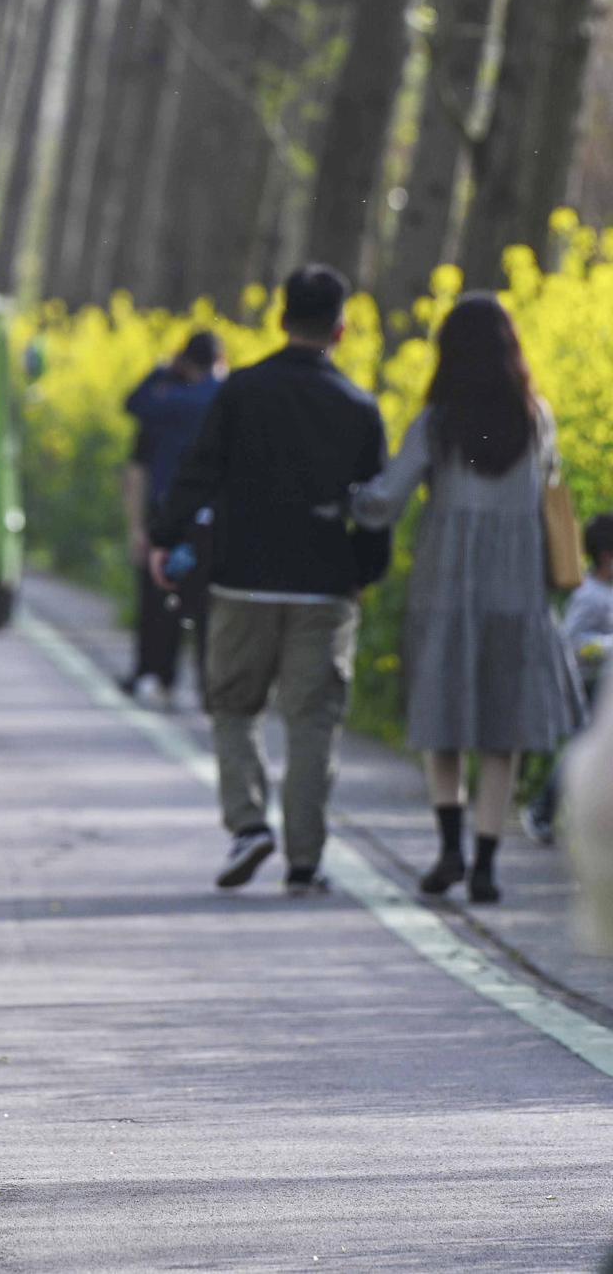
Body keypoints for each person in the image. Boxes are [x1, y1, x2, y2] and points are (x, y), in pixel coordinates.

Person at [151, 265, 391, 895]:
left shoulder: (241, 392)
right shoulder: (360, 407)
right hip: (324, 587)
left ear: (281, 320)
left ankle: (250, 824)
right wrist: (363, 572)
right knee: (313, 721)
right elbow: (375, 506)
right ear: (341, 330)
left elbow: (198, 471)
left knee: (233, 705)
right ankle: (305, 861)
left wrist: (166, 536)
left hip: (242, 580)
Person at [350, 295, 585, 902]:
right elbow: (547, 492)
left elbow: (387, 500)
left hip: (446, 590)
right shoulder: (537, 417)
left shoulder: (438, 423)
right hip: (517, 592)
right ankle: (485, 863)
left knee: (442, 717)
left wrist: (343, 500)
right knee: (501, 731)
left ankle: (449, 848)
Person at [123, 331, 227, 709]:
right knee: (208, 602)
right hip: (213, 516)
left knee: (158, 596)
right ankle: (209, 685)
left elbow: (132, 403)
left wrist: (161, 371)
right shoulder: (225, 395)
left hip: (166, 511)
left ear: (186, 361)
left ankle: (155, 674)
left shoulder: (165, 403)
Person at [528, 514, 613, 842]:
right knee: (584, 753)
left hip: (606, 686)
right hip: (588, 686)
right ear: (606, 557)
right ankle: (541, 810)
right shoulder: (588, 595)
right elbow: (572, 643)